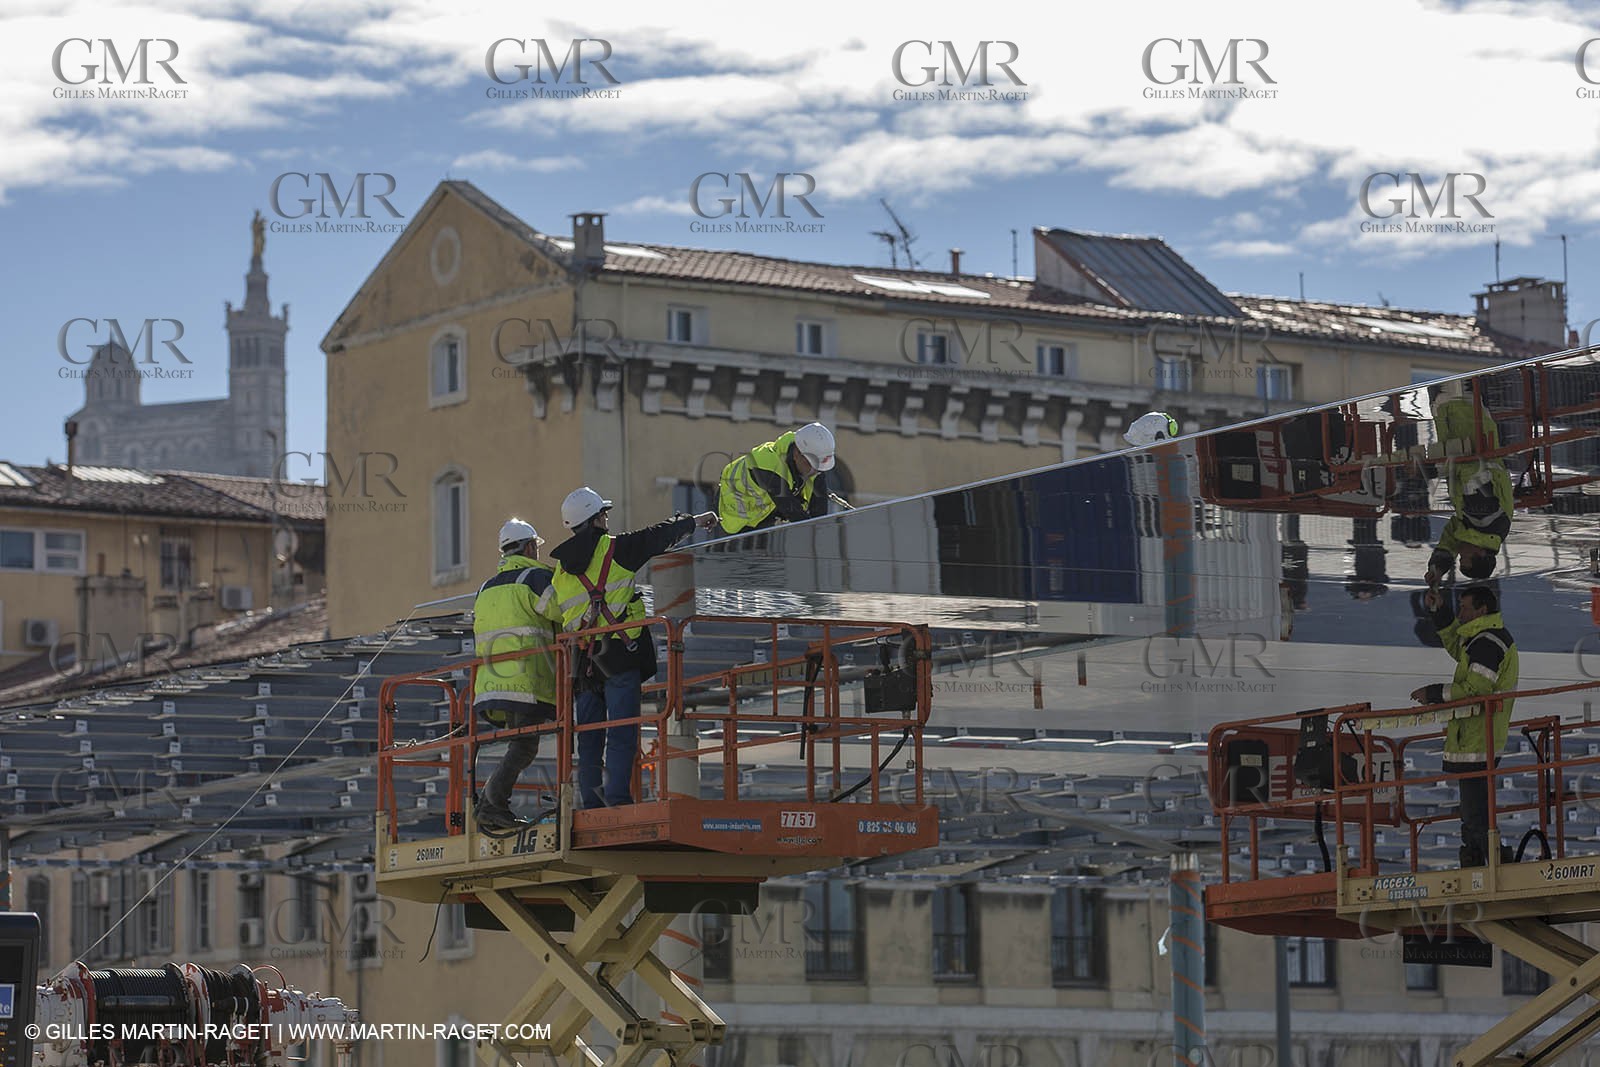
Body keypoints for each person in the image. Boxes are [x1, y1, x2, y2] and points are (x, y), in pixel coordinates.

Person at [549, 487, 717, 809]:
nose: (607, 518)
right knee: (622, 731)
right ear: (597, 518)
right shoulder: (615, 550)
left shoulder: (560, 569)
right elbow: (657, 536)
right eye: (604, 513)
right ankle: (617, 799)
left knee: (590, 739)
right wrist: (694, 521)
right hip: (616, 656)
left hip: (581, 661)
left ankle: (592, 804)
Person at [1409, 585, 1519, 867]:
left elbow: (1474, 688)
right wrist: (1440, 611)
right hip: (1475, 739)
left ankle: (1492, 863)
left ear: (1482, 610)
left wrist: (1433, 694)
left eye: (1464, 608)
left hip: (1478, 740)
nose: (1461, 613)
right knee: (1473, 811)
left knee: (1474, 813)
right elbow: (1458, 647)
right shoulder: (1483, 639)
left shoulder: (1488, 642)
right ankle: (1481, 860)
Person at [471, 519, 562, 830]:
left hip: (492, 682)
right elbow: (563, 611)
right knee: (525, 746)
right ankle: (491, 804)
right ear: (529, 547)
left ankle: (490, 804)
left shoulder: (485, 588)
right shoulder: (534, 577)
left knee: (520, 745)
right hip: (527, 681)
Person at [1425, 389, 1513, 585]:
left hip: (1463, 416)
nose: (1459, 555)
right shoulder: (1484, 517)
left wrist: (1438, 568)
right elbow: (1472, 470)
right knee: (1439, 364)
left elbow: (1452, 535)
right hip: (1462, 414)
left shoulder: (1483, 531)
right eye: (1463, 558)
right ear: (1480, 552)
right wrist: (1435, 469)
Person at [716, 423, 836, 535]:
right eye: (811, 464)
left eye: (819, 468)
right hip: (728, 515)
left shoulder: (813, 465)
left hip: (762, 516)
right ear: (797, 454)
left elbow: (819, 516)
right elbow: (794, 513)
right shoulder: (766, 465)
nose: (815, 472)